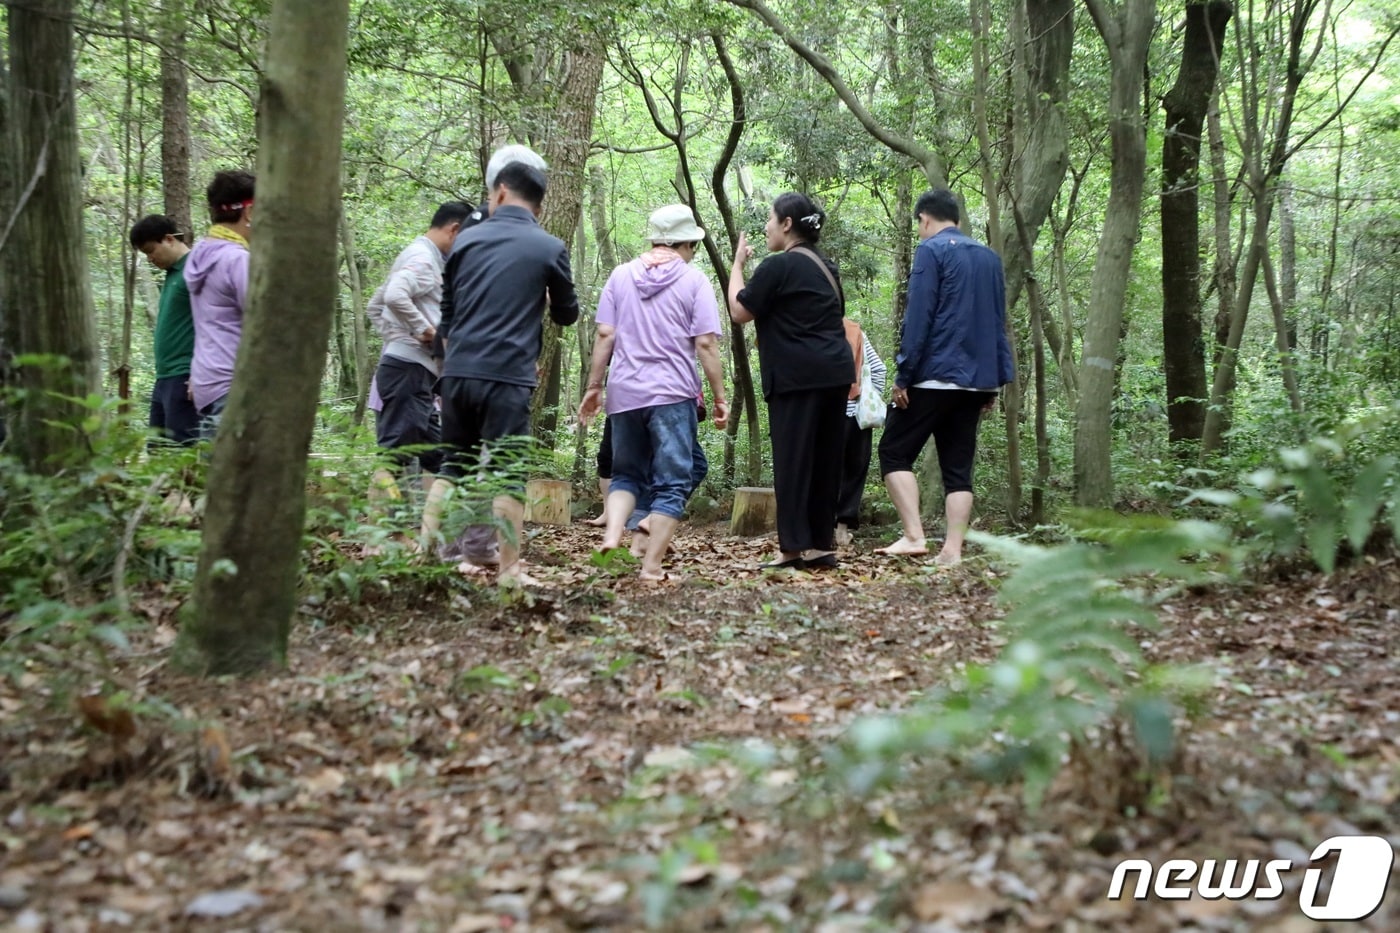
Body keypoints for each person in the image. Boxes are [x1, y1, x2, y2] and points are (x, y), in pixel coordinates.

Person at [421, 159, 578, 586]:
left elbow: (447, 314)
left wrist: (457, 363)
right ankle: (509, 571)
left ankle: (419, 560)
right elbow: (568, 314)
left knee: (452, 466)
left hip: (457, 373)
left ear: (502, 192)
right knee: (508, 473)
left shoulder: (466, 243)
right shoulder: (549, 248)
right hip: (508, 376)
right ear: (539, 206)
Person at [578, 204, 729, 581]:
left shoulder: (619, 275)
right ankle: (651, 568)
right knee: (673, 481)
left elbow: (605, 334)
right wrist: (720, 397)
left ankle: (613, 533)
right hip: (672, 394)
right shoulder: (694, 281)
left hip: (625, 392)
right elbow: (706, 344)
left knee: (626, 473)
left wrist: (595, 386)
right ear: (687, 244)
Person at [876, 188, 1014, 565]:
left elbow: (919, 317)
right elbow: (998, 322)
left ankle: (913, 535)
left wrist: (904, 375)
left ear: (924, 219)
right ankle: (951, 552)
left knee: (893, 451)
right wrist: (996, 381)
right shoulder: (989, 258)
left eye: (919, 225)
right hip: (977, 381)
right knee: (958, 468)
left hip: (933, 377)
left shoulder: (931, 250)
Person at [728, 193, 853, 571]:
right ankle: (819, 544)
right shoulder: (827, 267)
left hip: (797, 377)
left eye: (770, 218)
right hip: (834, 373)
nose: (766, 226)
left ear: (786, 224)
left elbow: (739, 311)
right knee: (825, 461)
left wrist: (736, 265)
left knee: (794, 461)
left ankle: (792, 549)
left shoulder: (777, 266)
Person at [366, 201, 475, 499]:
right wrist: (425, 333)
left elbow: (375, 306)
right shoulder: (423, 258)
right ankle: (376, 543)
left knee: (443, 456)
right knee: (394, 458)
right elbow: (393, 296)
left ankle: (433, 534)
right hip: (408, 372)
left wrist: (398, 337)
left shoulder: (419, 256)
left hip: (417, 372)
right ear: (454, 230)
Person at [184, 169, 255, 438]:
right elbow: (263, 323)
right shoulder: (237, 260)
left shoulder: (198, 255)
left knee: (215, 474)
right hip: (236, 381)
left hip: (207, 379)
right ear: (248, 212)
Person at [129, 214, 199, 445]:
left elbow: (214, 323)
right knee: (158, 449)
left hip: (186, 375)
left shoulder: (196, 269)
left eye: (151, 251)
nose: (150, 259)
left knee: (182, 449)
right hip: (164, 376)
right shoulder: (172, 275)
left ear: (169, 239)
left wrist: (200, 372)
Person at [835, 318, 887, 546]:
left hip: (820, 415)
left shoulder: (806, 326)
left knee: (821, 471)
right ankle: (841, 531)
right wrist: (868, 398)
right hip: (855, 416)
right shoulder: (854, 329)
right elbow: (878, 369)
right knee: (853, 472)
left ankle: (817, 529)